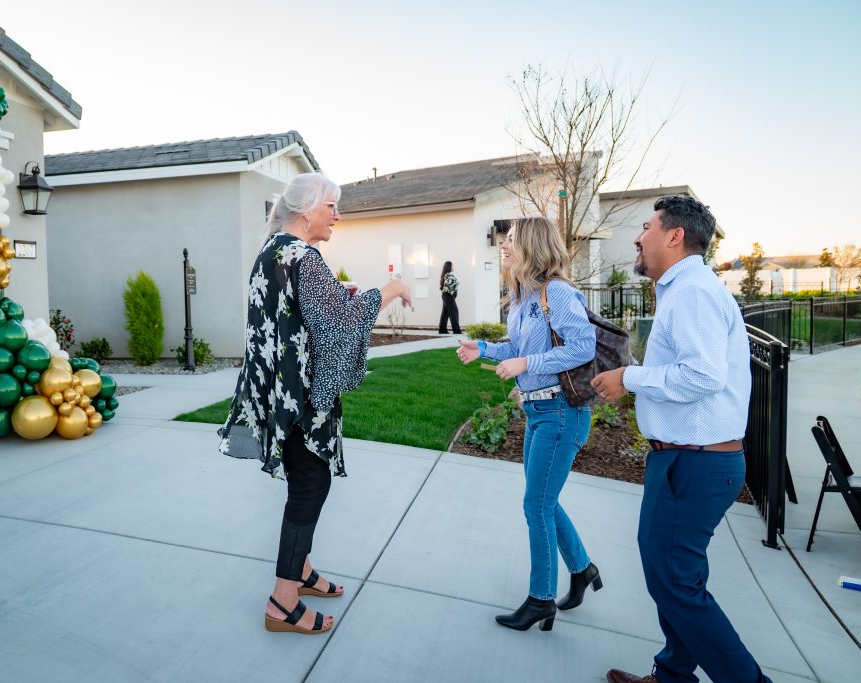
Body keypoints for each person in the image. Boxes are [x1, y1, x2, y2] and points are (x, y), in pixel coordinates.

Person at [218, 172, 411, 636]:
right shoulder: (303, 255)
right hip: (298, 396)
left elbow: (297, 312)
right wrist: (392, 289)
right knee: (310, 484)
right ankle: (283, 601)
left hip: (276, 391)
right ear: (307, 210)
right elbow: (342, 326)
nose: (337, 216)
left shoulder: (272, 251)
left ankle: (301, 574)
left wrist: (333, 296)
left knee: (308, 481)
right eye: (331, 207)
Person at [591, 195, 772, 683]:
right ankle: (673, 673)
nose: (637, 236)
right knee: (678, 577)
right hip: (688, 460)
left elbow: (703, 375)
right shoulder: (683, 289)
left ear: (674, 236)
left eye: (646, 226)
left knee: (673, 582)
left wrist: (630, 377)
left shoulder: (692, 292)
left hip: (695, 464)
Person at [456, 217, 600, 632]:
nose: (504, 245)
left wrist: (527, 363)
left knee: (535, 505)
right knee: (544, 501)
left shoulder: (558, 292)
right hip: (537, 413)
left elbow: (582, 347)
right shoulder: (523, 297)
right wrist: (481, 348)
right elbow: (517, 347)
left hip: (561, 414)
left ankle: (541, 599)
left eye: (512, 240)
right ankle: (583, 569)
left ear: (532, 246)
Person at [438, 260, 462, 334]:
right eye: (452, 265)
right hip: (448, 296)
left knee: (445, 313)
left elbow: (447, 286)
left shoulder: (446, 275)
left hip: (446, 296)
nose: (453, 267)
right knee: (454, 312)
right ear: (449, 267)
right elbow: (450, 286)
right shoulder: (449, 275)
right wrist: (453, 294)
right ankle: (456, 330)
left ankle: (442, 330)